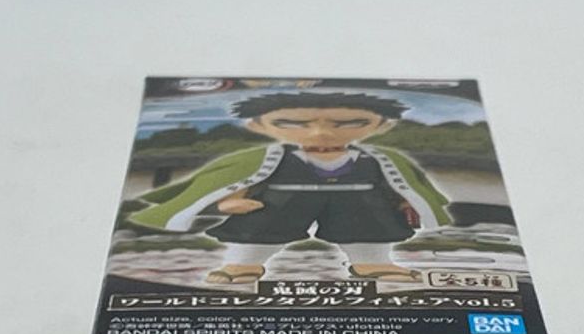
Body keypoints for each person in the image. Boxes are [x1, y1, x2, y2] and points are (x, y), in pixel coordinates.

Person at [128, 92, 452, 283]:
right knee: (260, 226)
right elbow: (234, 178)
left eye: (348, 123)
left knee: (370, 227)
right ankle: (244, 263)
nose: (320, 133)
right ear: (258, 125)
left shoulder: (382, 159)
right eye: (295, 123)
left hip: (360, 200)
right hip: (283, 199)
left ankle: (373, 261)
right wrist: (231, 201)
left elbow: (406, 183)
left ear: (382, 125)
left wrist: (404, 203)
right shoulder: (261, 157)